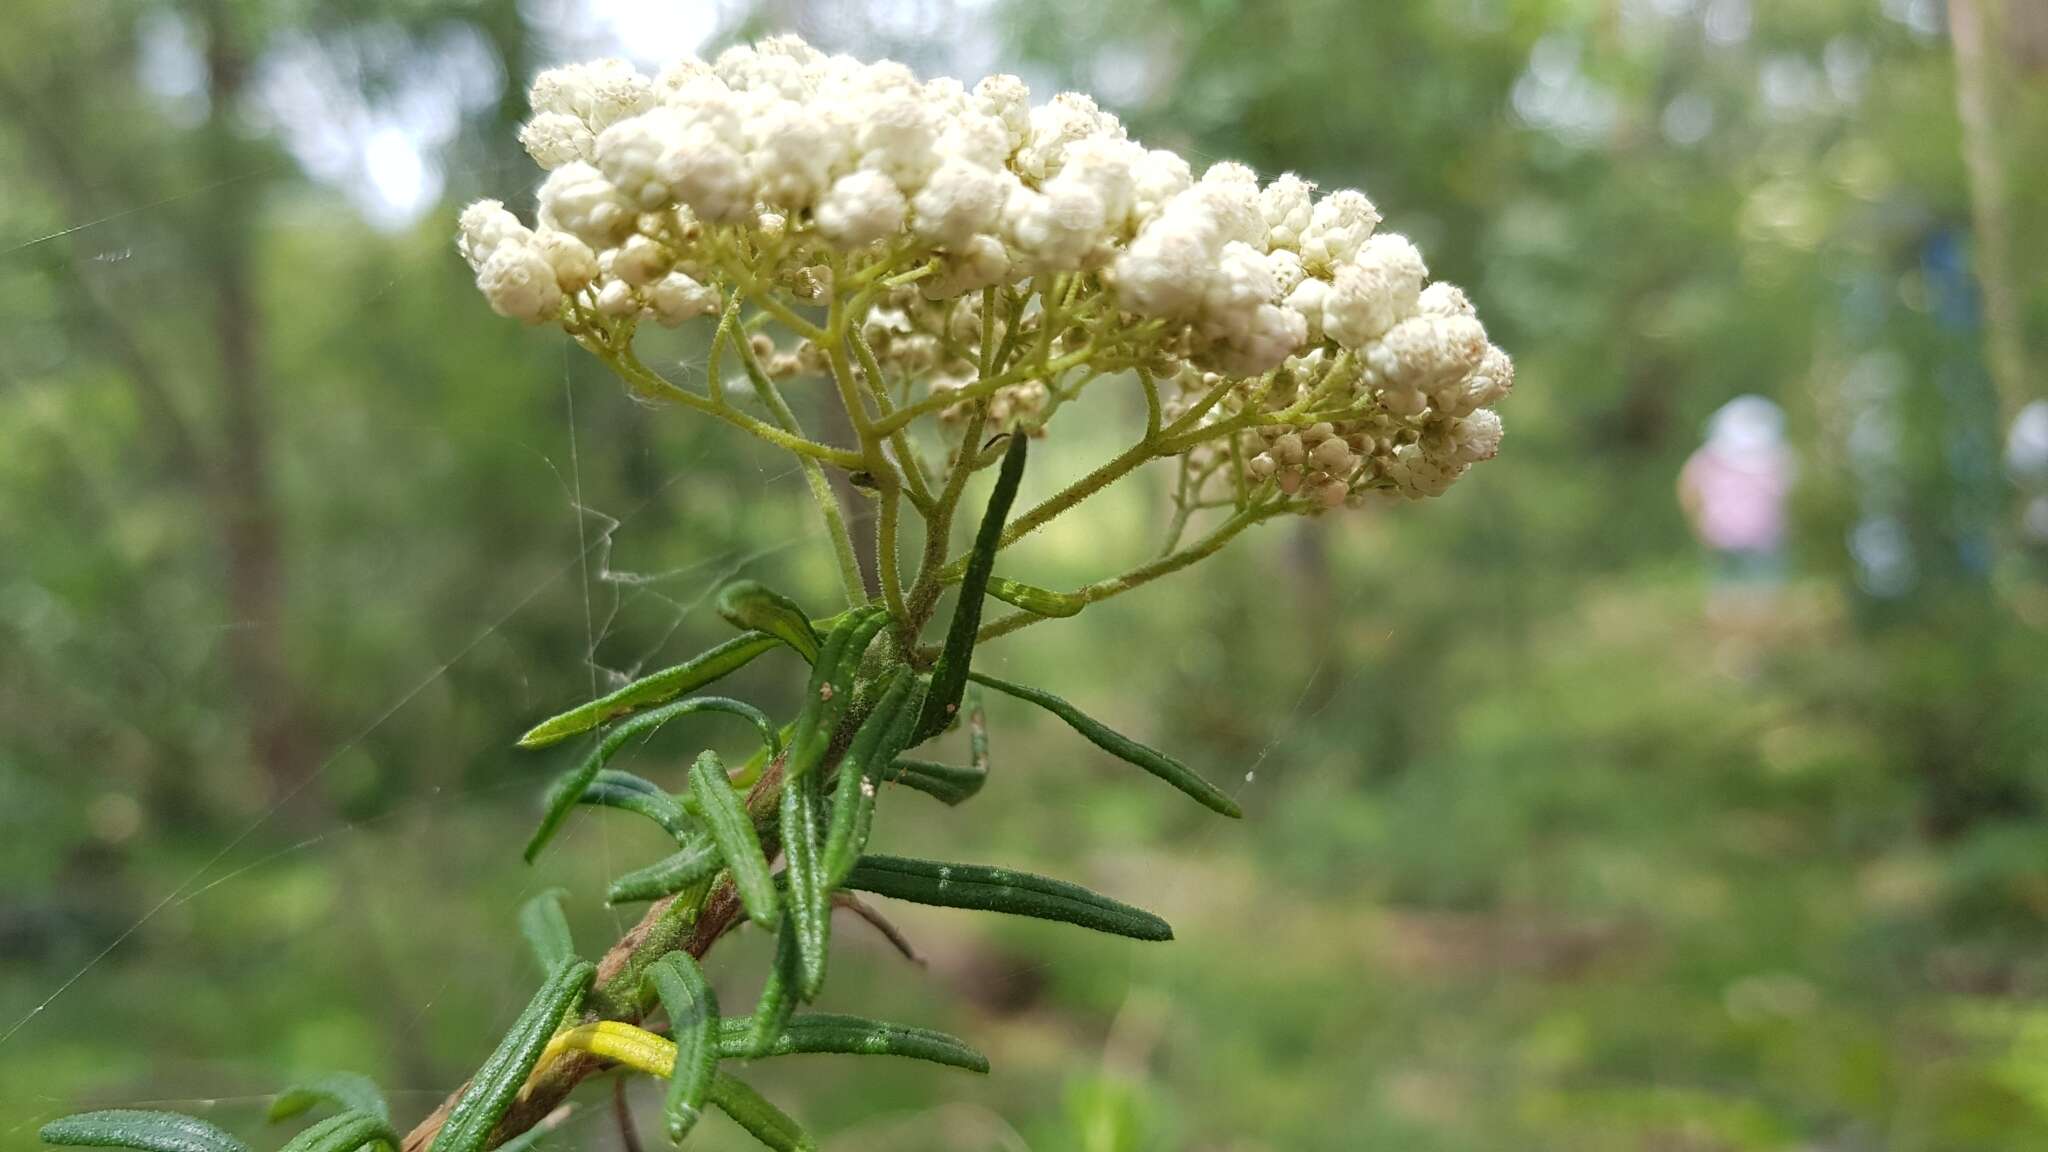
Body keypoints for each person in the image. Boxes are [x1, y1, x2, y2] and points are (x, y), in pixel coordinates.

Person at [1679, 396, 1795, 600]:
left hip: (1762, 540)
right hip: (1729, 539)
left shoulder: (1781, 456)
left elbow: (1686, 489)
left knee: (1761, 593)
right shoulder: (1710, 457)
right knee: (1733, 593)